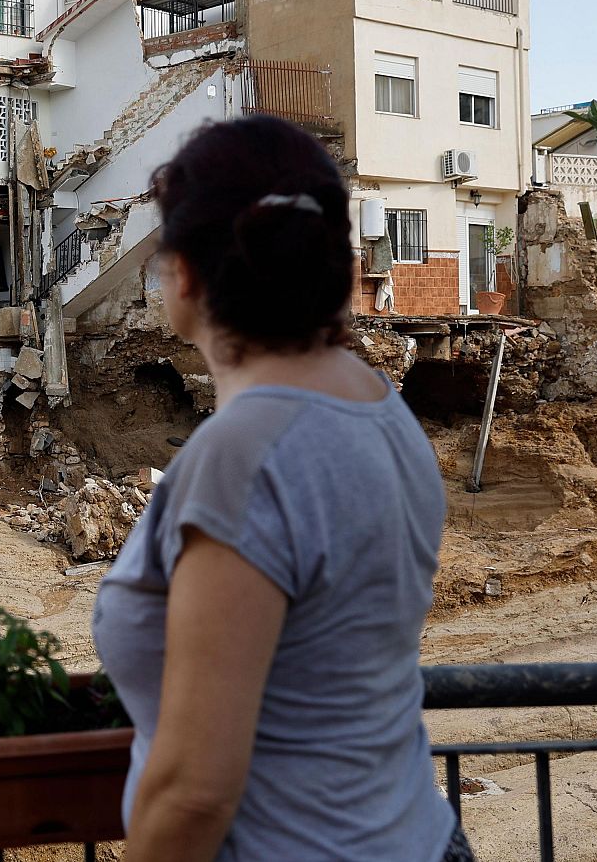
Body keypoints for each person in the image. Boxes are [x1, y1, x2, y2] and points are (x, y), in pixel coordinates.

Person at [92, 115, 473, 862]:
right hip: (420, 839)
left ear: (187, 275)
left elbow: (197, 790)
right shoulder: (379, 406)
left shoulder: (244, 456)